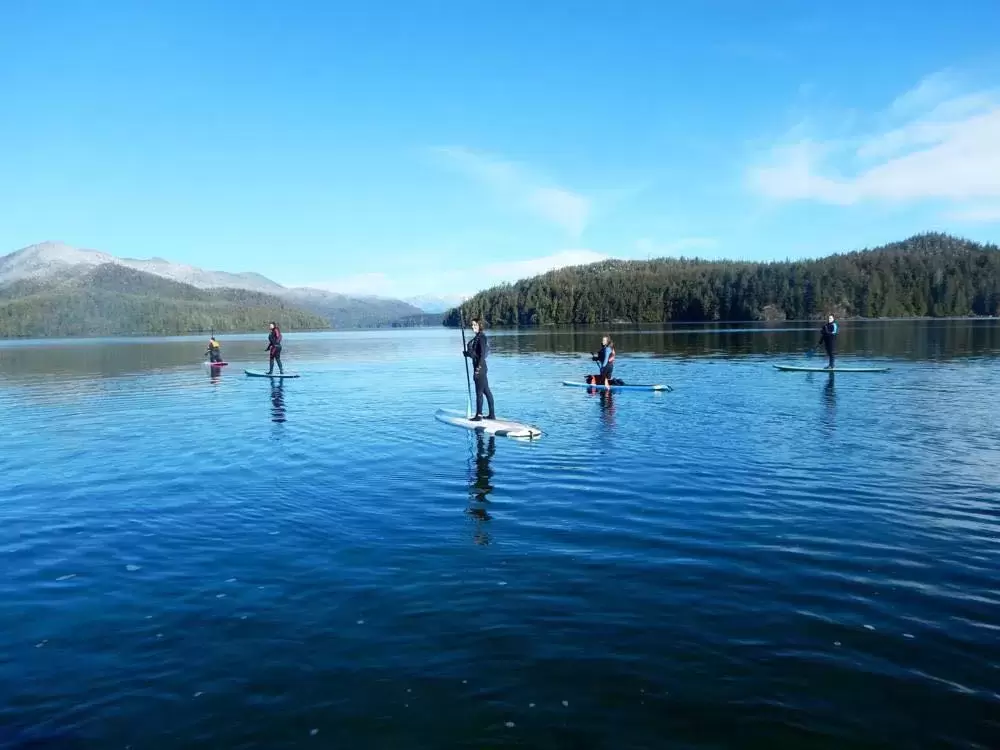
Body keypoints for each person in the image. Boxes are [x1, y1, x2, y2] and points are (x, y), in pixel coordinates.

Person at [463, 317, 495, 421]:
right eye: (472, 325)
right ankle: (492, 415)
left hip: (480, 369)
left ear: (479, 325)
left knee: (479, 393)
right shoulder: (477, 337)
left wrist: (478, 369)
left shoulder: (481, 338)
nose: (473, 327)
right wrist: (467, 354)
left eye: (475, 325)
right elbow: (475, 355)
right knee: (486, 391)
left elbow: (481, 355)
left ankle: (479, 415)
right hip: (480, 367)